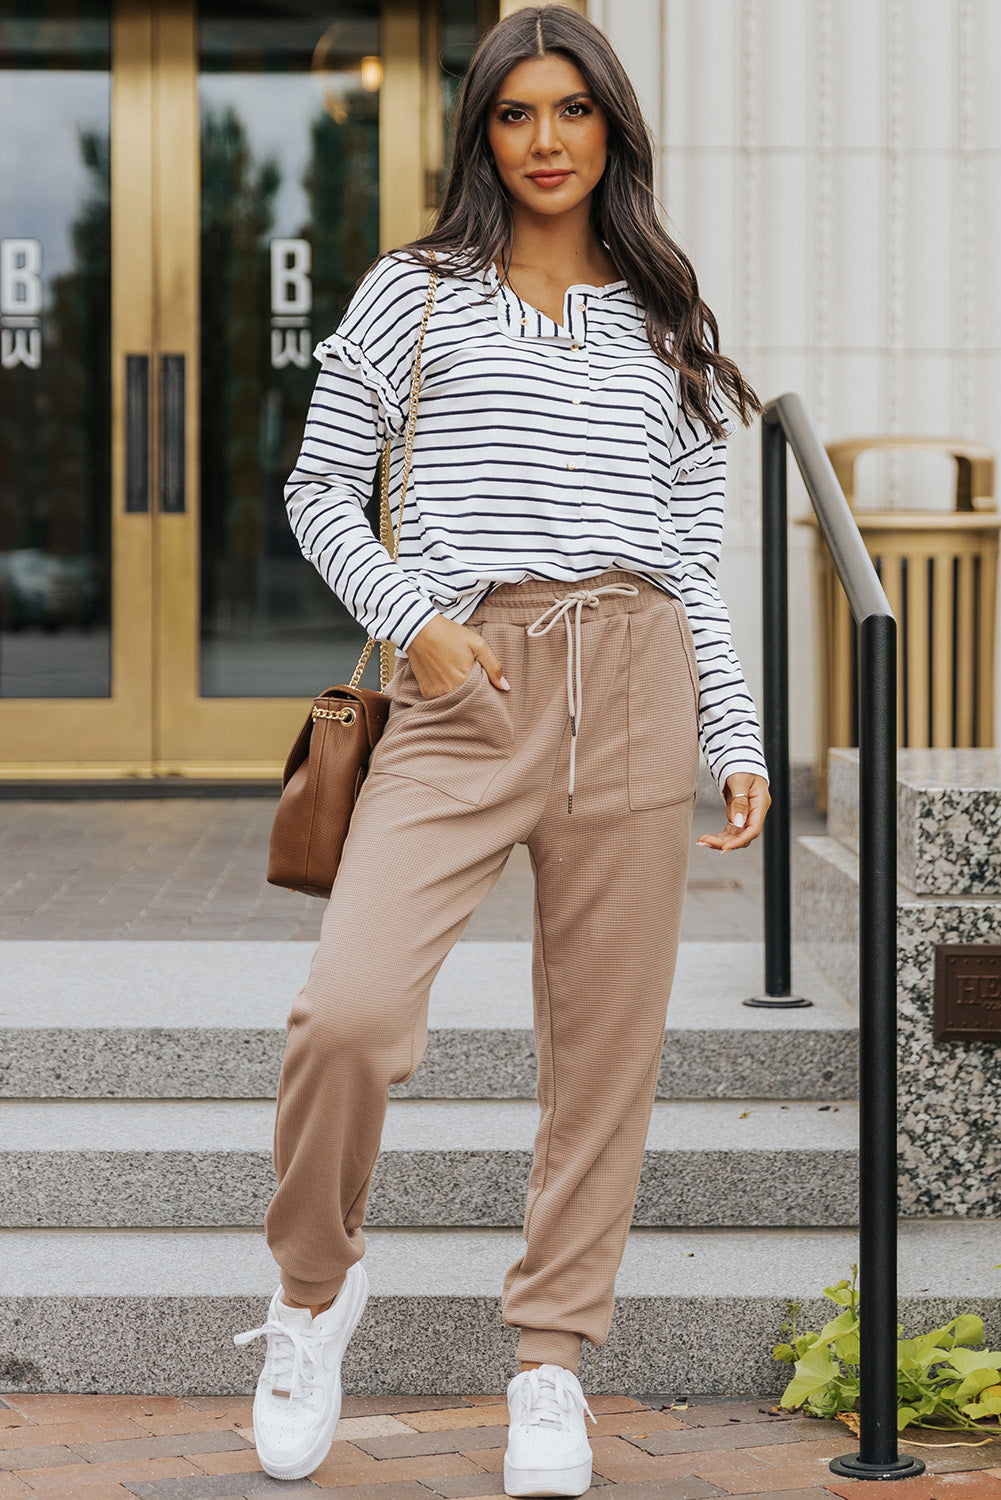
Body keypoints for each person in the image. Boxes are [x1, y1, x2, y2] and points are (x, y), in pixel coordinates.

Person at [234, 6, 771, 1494]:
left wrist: (733, 731)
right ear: (481, 132)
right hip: (465, 690)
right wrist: (414, 623)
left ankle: (549, 1366)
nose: (545, 141)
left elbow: (690, 560)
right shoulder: (413, 294)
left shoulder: (669, 315)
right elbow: (321, 489)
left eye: (571, 112)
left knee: (601, 1056)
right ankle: (308, 1292)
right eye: (516, 114)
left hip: (639, 683)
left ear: (612, 126)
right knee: (347, 1014)